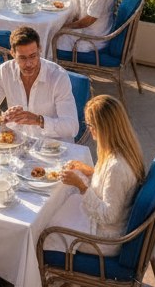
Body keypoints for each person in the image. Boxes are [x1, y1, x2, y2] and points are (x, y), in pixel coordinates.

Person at [47, 95, 145, 255]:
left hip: (104, 240)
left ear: (104, 128)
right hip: (108, 225)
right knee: (59, 209)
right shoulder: (125, 150)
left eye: (91, 125)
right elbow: (114, 188)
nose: (89, 129)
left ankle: (49, 273)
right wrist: (92, 172)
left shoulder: (117, 167)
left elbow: (108, 216)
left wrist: (81, 186)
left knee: (46, 229)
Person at [0, 26, 79, 140]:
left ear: (40, 50)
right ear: (13, 54)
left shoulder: (59, 76)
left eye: (33, 56)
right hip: (17, 142)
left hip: (52, 147)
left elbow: (72, 127)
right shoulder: (4, 71)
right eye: (22, 58)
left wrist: (38, 120)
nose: (29, 64)